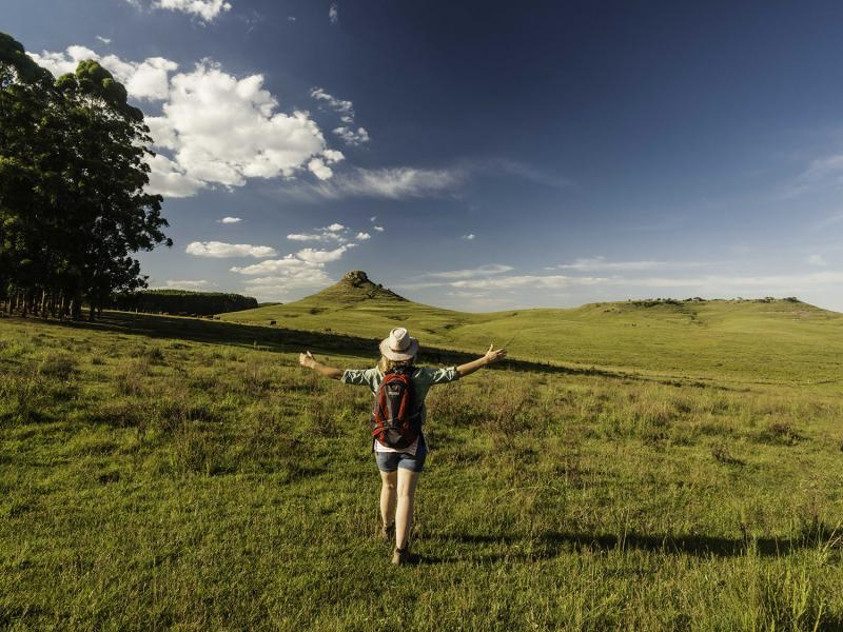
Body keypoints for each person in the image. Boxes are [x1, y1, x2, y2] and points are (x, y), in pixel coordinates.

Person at [299, 326, 506, 565]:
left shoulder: (374, 376)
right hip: (411, 442)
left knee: (388, 486)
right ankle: (400, 551)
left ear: (387, 353)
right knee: (405, 494)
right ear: (411, 354)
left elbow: (339, 374)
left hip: (383, 443)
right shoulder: (422, 376)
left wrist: (312, 364)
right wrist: (485, 359)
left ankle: (386, 529)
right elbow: (455, 373)